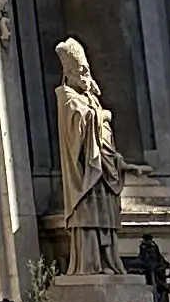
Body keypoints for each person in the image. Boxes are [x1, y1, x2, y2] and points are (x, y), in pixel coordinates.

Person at [52, 38, 123, 285]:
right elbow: (79, 123)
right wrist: (102, 116)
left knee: (104, 214)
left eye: (86, 71)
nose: (85, 76)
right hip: (84, 173)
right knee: (87, 214)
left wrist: (117, 162)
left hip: (102, 172)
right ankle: (89, 262)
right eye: (80, 72)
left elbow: (104, 138)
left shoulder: (91, 98)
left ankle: (108, 261)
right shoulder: (66, 96)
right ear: (68, 73)